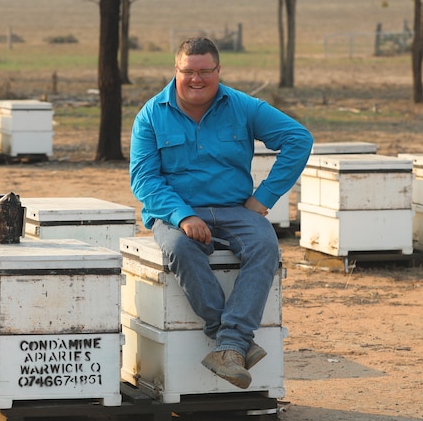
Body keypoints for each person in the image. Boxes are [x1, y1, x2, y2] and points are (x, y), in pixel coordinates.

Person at [129, 37, 314, 389]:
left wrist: (264, 199)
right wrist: (183, 216)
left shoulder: (243, 106)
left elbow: (298, 138)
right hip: (176, 211)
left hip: (234, 208)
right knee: (181, 248)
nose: (196, 79)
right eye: (188, 71)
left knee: (265, 245)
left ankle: (228, 343)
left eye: (204, 71)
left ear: (218, 71)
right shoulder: (151, 115)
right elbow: (144, 179)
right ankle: (232, 341)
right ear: (176, 71)